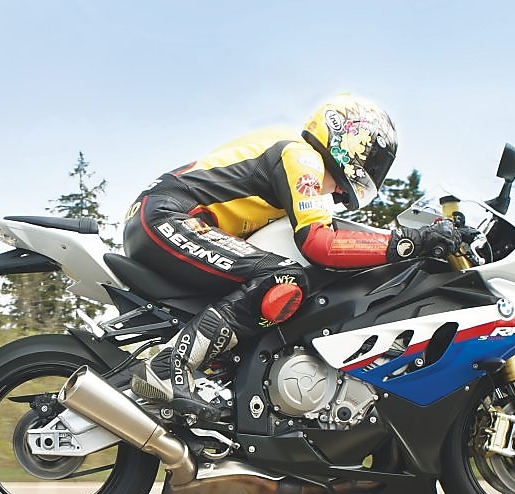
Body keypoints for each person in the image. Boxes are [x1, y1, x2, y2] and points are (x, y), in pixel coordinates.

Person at [125, 93, 459, 420]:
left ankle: (219, 376)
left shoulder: (295, 160)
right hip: (168, 216)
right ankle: (168, 367)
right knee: (283, 278)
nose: (350, 186)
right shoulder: (301, 156)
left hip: (168, 218)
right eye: (371, 161)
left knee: (267, 287)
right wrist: (408, 242)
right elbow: (320, 244)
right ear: (349, 139)